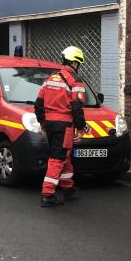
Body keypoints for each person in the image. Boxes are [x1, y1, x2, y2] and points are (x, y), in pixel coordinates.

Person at [34, 46, 87, 207]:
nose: (78, 67)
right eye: (78, 64)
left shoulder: (50, 79)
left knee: (64, 156)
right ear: (74, 63)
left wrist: (43, 122)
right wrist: (81, 128)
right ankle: (48, 194)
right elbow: (77, 109)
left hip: (50, 124)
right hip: (64, 126)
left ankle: (68, 188)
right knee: (58, 158)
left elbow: (38, 105)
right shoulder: (75, 82)